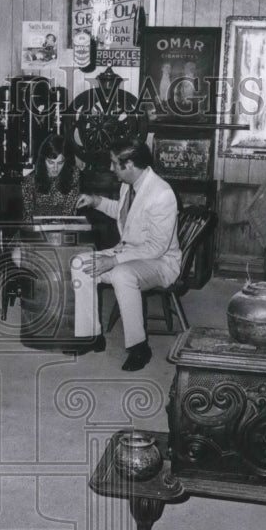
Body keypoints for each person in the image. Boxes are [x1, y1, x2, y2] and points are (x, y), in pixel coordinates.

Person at [70, 136, 180, 371]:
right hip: (129, 252)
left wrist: (113, 260)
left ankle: (139, 347)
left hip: (160, 262)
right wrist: (96, 201)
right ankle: (91, 336)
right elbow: (125, 215)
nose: (111, 168)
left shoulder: (162, 193)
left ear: (129, 164)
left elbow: (156, 247)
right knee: (79, 263)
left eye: (114, 163)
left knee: (121, 274)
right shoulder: (129, 184)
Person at [20, 133, 80, 220]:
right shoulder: (30, 181)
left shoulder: (73, 177)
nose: (55, 168)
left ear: (66, 162)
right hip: (36, 230)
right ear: (43, 160)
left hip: (63, 230)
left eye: (60, 163)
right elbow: (28, 217)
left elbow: (69, 215)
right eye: (51, 163)